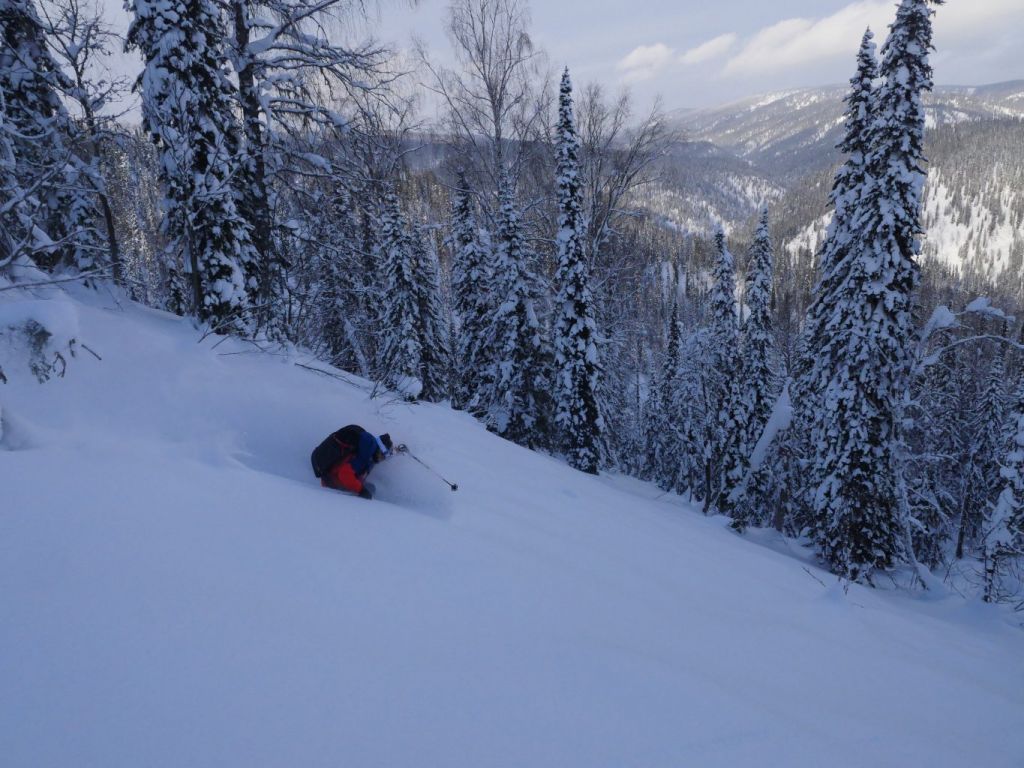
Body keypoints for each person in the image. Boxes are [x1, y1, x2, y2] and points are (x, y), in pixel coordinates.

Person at [311, 425, 393, 499]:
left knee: (369, 487)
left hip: (331, 471)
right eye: (384, 456)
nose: (382, 459)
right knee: (370, 488)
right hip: (331, 481)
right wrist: (361, 490)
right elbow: (344, 474)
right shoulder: (367, 451)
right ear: (381, 450)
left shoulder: (368, 444)